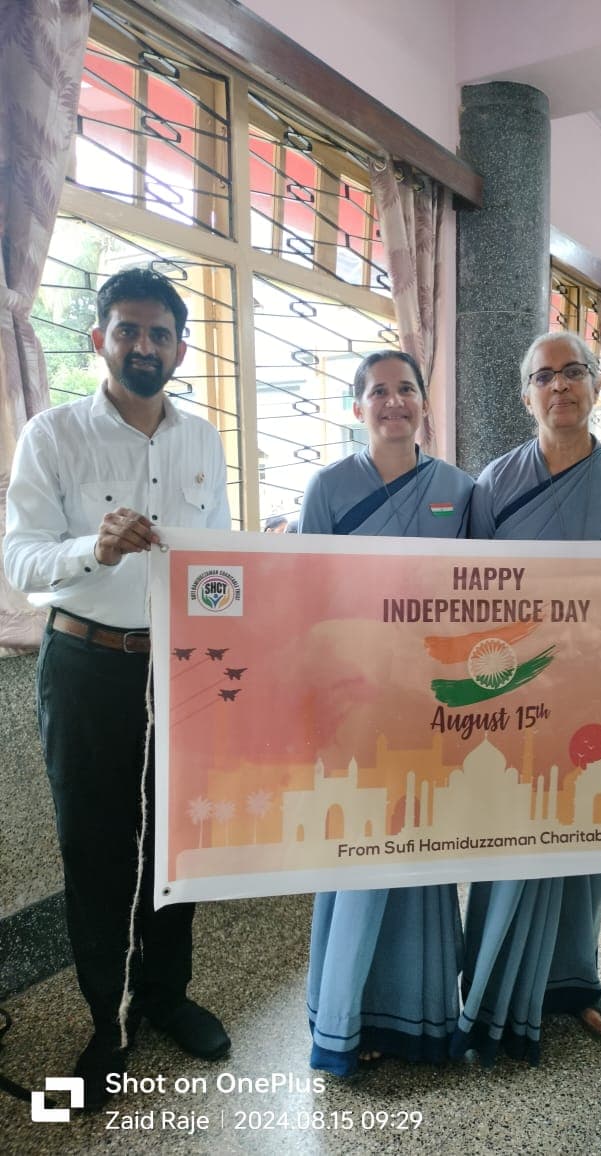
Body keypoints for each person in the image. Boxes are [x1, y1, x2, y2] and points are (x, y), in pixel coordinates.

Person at [3, 267, 232, 1109]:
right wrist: (87, 550)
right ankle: (108, 1022)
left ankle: (167, 998)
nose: (143, 346)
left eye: (159, 333)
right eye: (127, 330)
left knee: (178, 841)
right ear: (98, 338)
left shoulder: (201, 440)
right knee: (97, 848)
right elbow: (18, 563)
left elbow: (215, 564)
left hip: (181, 666)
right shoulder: (52, 435)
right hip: (88, 665)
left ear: (179, 348)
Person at [455, 331, 601, 1065]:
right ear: (526, 395)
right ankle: (489, 987)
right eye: (544, 376)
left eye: (574, 372)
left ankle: (576, 983)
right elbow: (466, 599)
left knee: (585, 850)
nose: (560, 386)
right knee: (508, 845)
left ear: (595, 385)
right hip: (515, 697)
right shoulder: (491, 485)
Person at [298, 349, 474, 1076]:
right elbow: (303, 593)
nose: (393, 402)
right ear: (356, 407)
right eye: (377, 391)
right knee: (360, 849)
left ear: (424, 403)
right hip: (354, 702)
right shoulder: (329, 487)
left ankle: (420, 1016)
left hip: (428, 700)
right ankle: (344, 1018)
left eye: (405, 389)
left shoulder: (459, 490)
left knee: (421, 850)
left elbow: (480, 595)